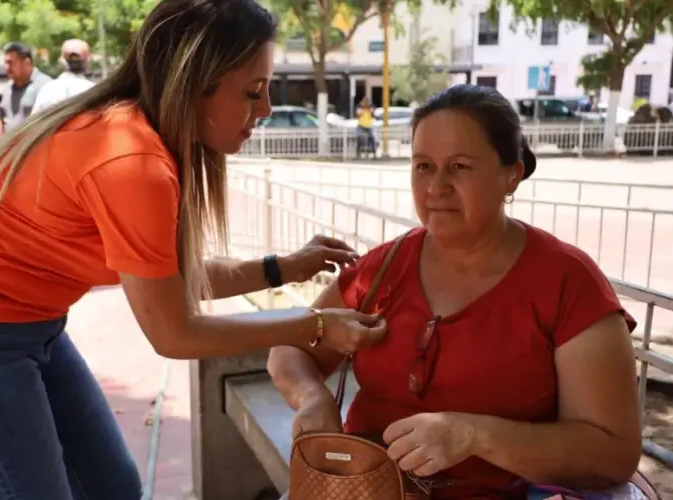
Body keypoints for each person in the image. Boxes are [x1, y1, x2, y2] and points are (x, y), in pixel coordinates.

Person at [0, 1, 387, 499]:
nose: (267, 109)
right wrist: (316, 326)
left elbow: (168, 277)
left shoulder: (139, 136)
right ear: (193, 87)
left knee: (113, 488)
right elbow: (173, 332)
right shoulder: (131, 159)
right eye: (253, 92)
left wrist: (282, 268)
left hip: (27, 329)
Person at [268, 84, 642, 499]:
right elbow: (290, 348)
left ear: (511, 174)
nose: (436, 187)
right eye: (423, 166)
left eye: (460, 167)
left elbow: (613, 453)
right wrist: (312, 397)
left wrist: (474, 436)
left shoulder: (567, 281)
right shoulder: (384, 267)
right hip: (361, 488)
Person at [0, 42, 52, 135]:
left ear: (26, 62)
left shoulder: (46, 86)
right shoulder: (8, 88)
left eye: (10, 63)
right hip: (9, 147)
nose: (7, 67)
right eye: (5, 63)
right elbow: (2, 119)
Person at [32, 39, 95, 114]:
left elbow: (35, 121)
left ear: (61, 61)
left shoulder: (47, 90)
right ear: (88, 60)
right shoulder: (94, 91)